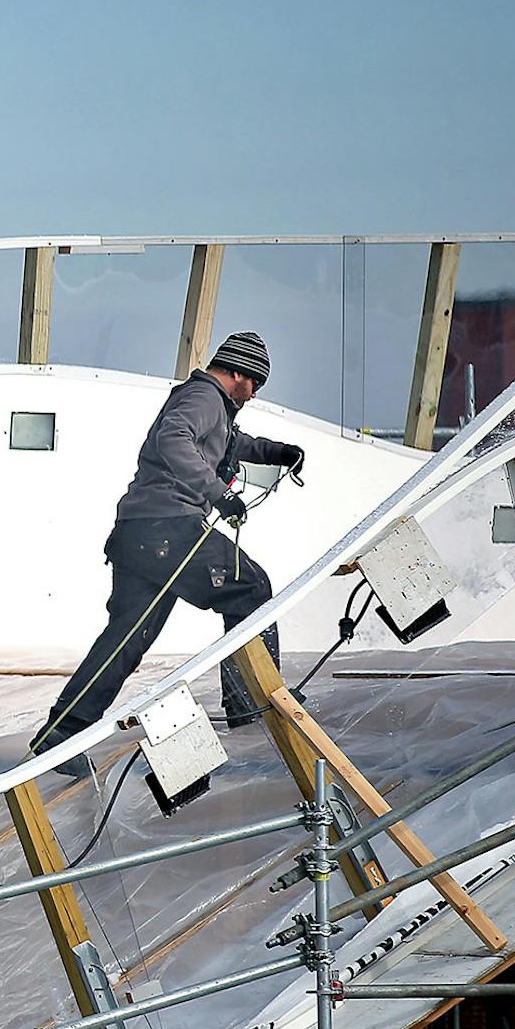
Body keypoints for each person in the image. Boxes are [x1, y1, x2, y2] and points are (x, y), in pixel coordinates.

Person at [31, 331, 305, 778]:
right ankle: (251, 702)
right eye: (255, 383)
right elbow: (174, 439)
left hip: (141, 533)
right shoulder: (203, 397)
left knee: (128, 637)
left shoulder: (210, 405)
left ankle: (62, 731)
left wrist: (278, 452)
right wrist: (217, 492)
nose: (255, 393)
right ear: (238, 372)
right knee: (251, 588)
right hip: (168, 528)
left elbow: (230, 443)